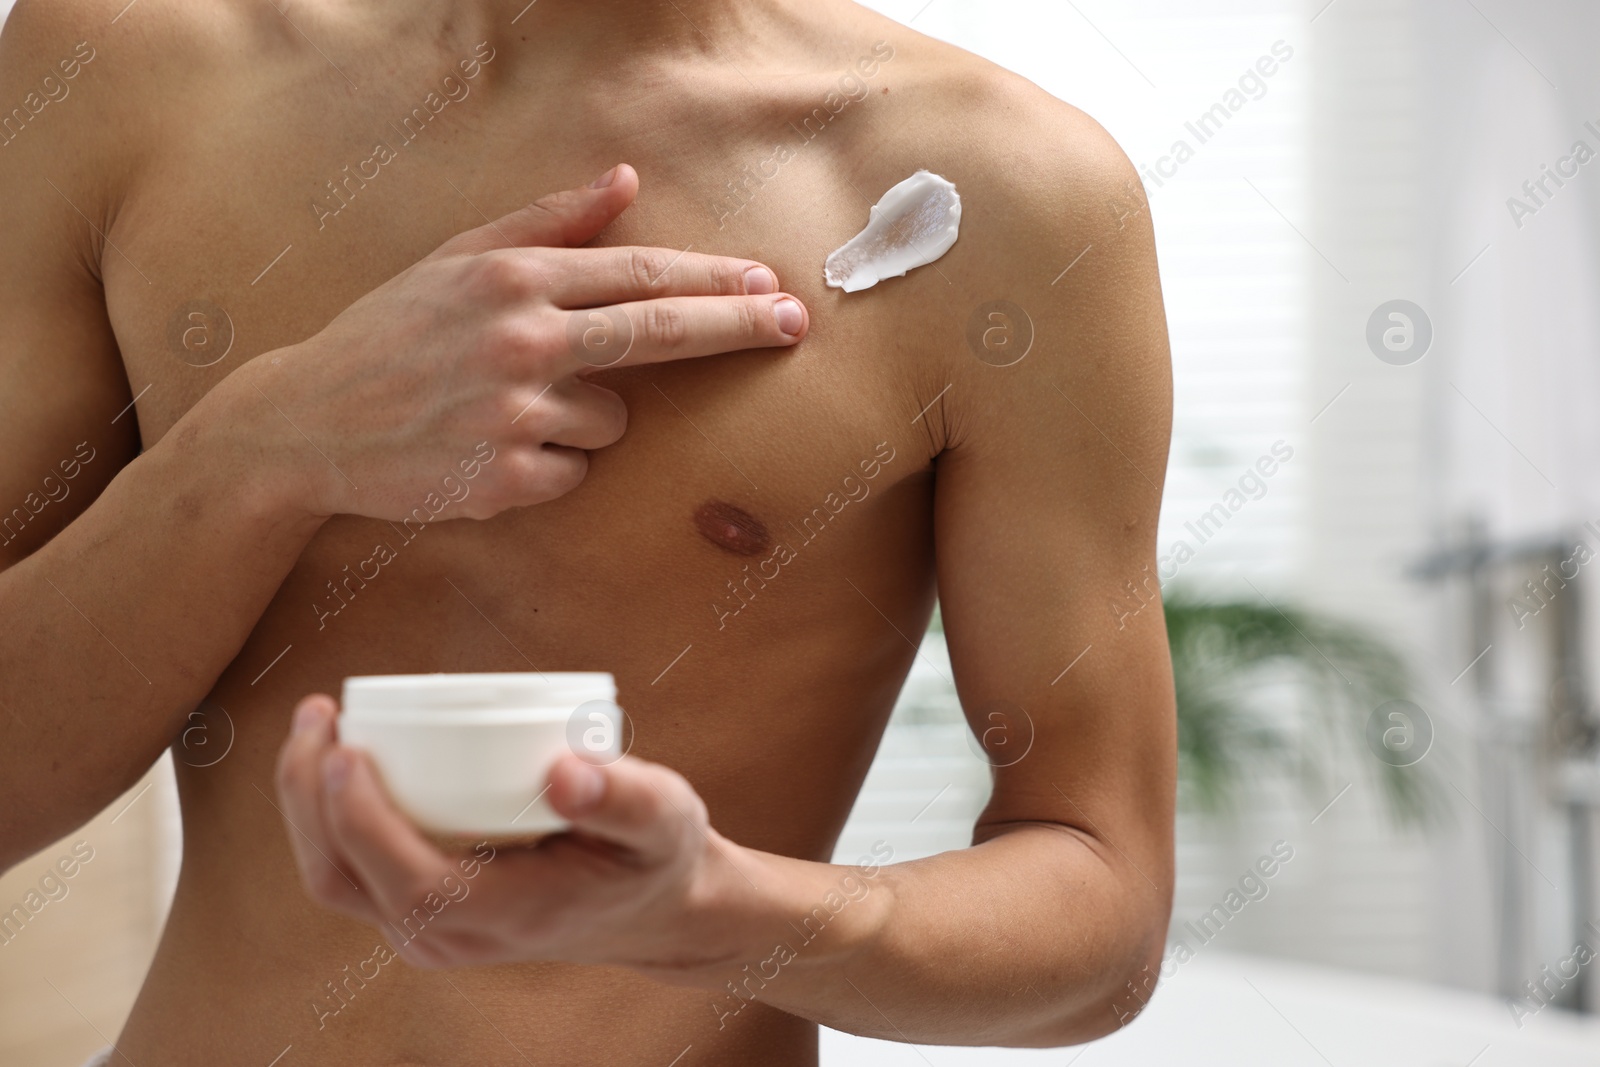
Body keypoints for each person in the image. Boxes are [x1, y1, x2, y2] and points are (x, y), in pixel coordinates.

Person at [0, 0, 1177, 1062]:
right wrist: (259, 446)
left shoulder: (1011, 195)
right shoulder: (118, 68)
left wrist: (718, 912)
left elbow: (1104, 911)